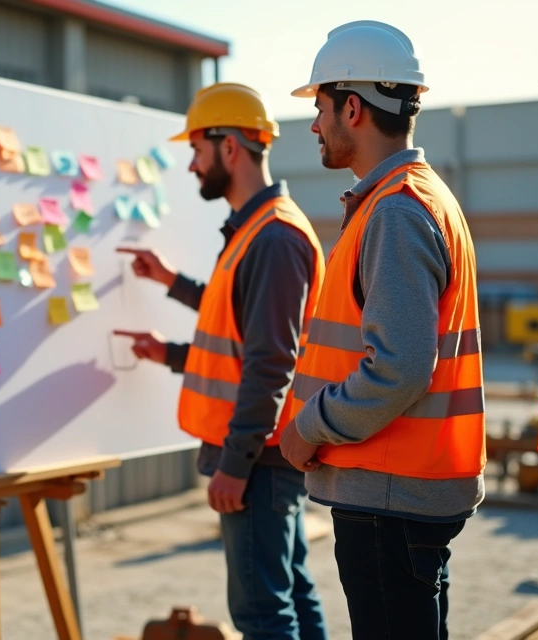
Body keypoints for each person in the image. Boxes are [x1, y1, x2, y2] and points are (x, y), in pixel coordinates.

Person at [279, 20, 485, 640]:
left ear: (352, 106)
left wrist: (306, 430)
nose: (314, 123)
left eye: (319, 107)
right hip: (402, 494)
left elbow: (400, 367)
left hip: (390, 500)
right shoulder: (412, 199)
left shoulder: (396, 210)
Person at [113, 83, 328, 640]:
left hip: (259, 459)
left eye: (197, 151)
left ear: (228, 147)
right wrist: (168, 327)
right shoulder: (255, 232)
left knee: (262, 614)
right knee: (293, 594)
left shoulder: (274, 238)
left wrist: (235, 463)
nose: (190, 165)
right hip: (268, 452)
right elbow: (232, 328)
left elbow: (269, 364)